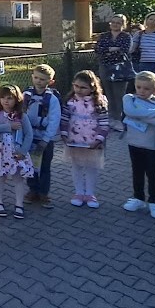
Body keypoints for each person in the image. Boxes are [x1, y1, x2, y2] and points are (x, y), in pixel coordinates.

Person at [120, 71, 155, 220]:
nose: (141, 91)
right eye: (139, 87)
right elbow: (129, 111)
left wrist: (137, 114)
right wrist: (152, 114)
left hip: (152, 144)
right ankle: (138, 198)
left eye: (146, 88)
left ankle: (154, 201)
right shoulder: (129, 98)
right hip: (134, 142)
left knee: (152, 173)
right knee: (137, 171)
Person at [62, 70, 109, 209]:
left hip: (92, 141)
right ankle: (78, 192)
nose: (78, 90)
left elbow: (104, 122)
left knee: (91, 167)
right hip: (74, 139)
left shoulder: (99, 102)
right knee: (76, 166)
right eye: (76, 86)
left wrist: (99, 139)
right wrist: (64, 134)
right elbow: (64, 119)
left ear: (92, 88)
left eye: (83, 87)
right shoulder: (70, 101)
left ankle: (90, 193)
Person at [0, 85, 35, 220]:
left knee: (18, 178)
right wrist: (9, 126)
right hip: (0, 151)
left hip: (16, 151)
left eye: (9, 98)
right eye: (3, 98)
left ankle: (19, 204)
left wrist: (23, 151)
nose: (6, 101)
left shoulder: (21, 116)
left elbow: (29, 134)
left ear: (16, 100)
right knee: (0, 176)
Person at [23, 64, 61, 209]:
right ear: (32, 77)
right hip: (29, 136)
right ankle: (32, 190)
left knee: (44, 167)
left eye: (42, 79)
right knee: (30, 165)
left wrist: (46, 139)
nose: (38, 81)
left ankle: (44, 192)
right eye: (36, 78)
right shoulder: (26, 96)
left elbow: (54, 120)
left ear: (50, 81)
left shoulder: (52, 99)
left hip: (44, 138)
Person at [94, 14, 133, 130]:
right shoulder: (104, 36)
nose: (115, 24)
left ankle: (120, 119)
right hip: (105, 67)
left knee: (119, 94)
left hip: (120, 68)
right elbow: (98, 49)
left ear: (123, 25)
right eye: (113, 22)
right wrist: (114, 49)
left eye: (118, 22)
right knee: (108, 93)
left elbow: (125, 49)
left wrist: (108, 50)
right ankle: (110, 118)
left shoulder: (126, 36)